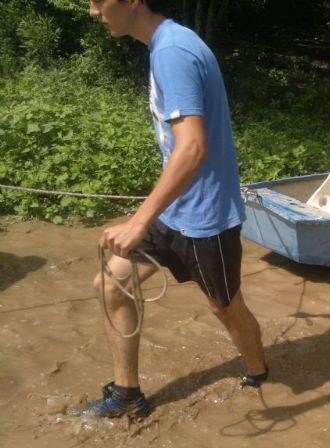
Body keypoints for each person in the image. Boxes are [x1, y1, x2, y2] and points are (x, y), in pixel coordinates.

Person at [80, 0, 267, 419]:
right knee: (111, 283)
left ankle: (259, 372)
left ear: (132, 1)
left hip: (206, 217)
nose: (92, 11)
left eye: (97, 0)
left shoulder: (173, 52)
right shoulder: (167, 44)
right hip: (174, 209)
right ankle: (127, 393)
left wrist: (138, 221)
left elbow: (194, 147)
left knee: (225, 308)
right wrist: (149, 213)